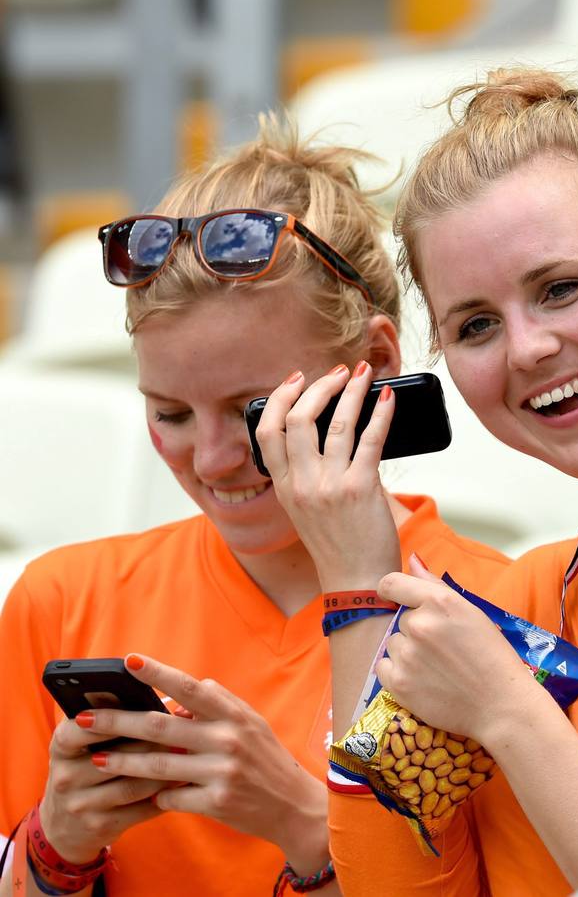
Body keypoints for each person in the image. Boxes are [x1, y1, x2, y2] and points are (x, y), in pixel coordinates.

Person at [256, 68, 578, 895]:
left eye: (562, 288)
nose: (527, 349)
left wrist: (508, 711)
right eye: (477, 325)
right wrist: (355, 583)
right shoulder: (529, 596)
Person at [0, 116, 511, 896]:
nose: (209, 460)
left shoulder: (497, 609)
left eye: (252, 411)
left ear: (374, 363)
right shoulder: (63, 601)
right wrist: (55, 848)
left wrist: (304, 824)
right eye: (170, 413)